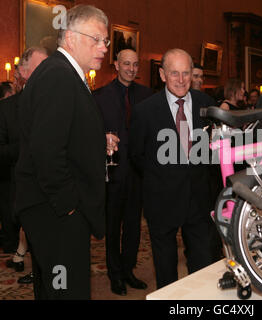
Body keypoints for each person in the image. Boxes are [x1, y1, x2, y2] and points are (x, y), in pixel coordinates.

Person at [15, 4, 113, 300]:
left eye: (105, 41)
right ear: (69, 37)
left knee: (55, 290)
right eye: (96, 39)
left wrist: (98, 140)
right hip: (56, 210)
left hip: (54, 208)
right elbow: (46, 149)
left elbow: (63, 132)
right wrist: (68, 205)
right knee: (67, 292)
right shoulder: (58, 75)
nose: (103, 48)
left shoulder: (64, 73)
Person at [129, 48, 214, 289]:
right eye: (174, 73)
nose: (181, 79)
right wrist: (161, 176)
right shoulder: (144, 111)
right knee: (166, 271)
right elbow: (136, 155)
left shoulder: (206, 105)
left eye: (186, 73)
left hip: (198, 200)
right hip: (161, 200)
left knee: (203, 266)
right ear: (162, 74)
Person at [93, 48, 153, 296]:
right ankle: (114, 273)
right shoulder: (99, 96)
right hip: (112, 172)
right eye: (126, 63)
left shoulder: (147, 96)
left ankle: (128, 270)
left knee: (133, 227)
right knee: (112, 226)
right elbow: (91, 133)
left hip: (138, 174)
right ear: (116, 65)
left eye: (135, 64)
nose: (131, 68)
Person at [0, 47, 48, 265]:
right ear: (24, 72)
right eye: (40, 68)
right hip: (20, 189)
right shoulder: (6, 109)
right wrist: (30, 145)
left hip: (54, 191)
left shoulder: (60, 104)